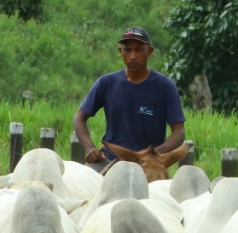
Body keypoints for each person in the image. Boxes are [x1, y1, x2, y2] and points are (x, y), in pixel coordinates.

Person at [73, 26, 185, 167]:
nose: (133, 56)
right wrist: (90, 148)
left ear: (149, 51)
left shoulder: (165, 87)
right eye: (127, 50)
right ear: (121, 51)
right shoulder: (106, 83)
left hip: (148, 165)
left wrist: (153, 154)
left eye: (139, 50)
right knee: (85, 186)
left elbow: (179, 132)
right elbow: (79, 117)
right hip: (109, 160)